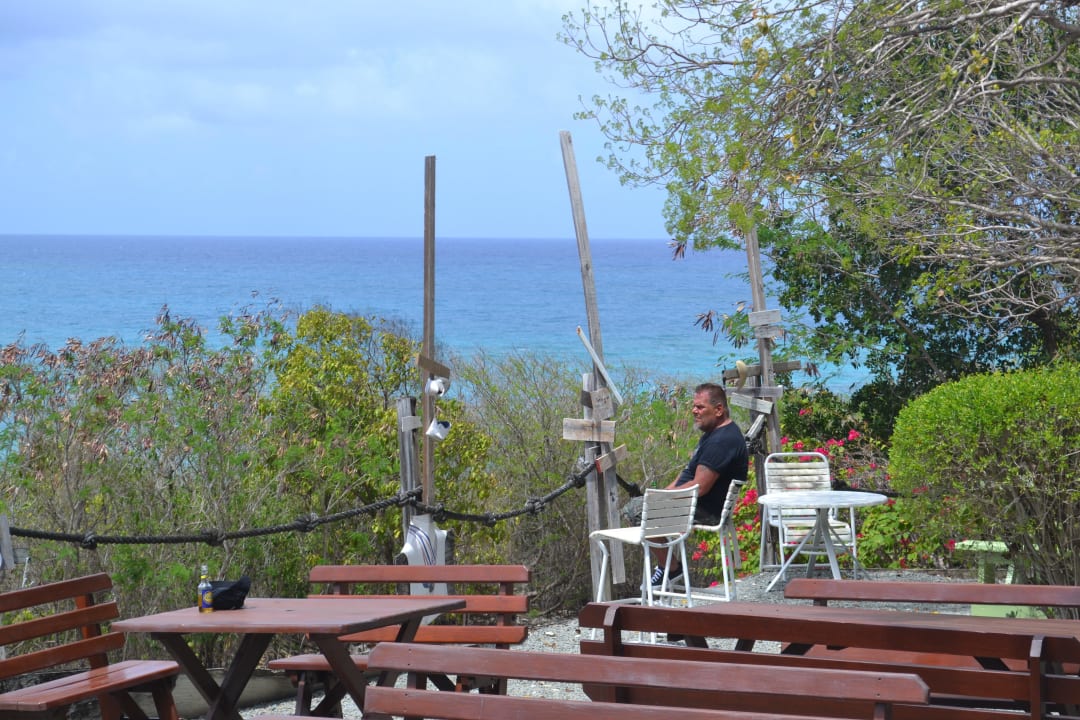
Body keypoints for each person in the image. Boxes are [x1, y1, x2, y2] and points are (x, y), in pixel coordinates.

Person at [622, 382, 748, 587]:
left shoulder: (722, 441)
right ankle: (668, 567)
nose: (694, 411)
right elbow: (686, 475)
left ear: (718, 410)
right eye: (694, 406)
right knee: (641, 505)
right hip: (695, 503)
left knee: (636, 510)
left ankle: (671, 569)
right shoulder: (713, 434)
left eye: (700, 407)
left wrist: (659, 500)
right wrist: (659, 495)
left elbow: (699, 487)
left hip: (706, 510)